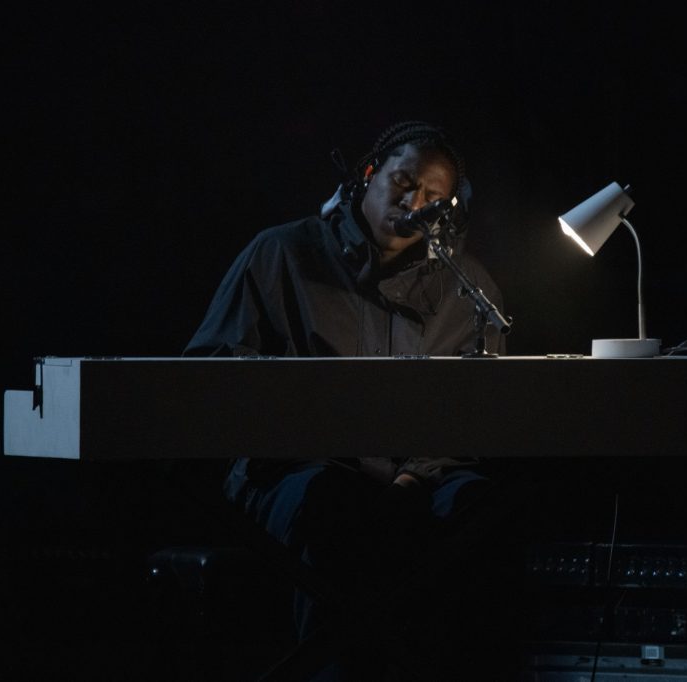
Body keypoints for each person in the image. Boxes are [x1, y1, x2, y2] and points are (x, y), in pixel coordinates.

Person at [184, 121, 509, 678]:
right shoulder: (282, 252)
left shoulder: (466, 286)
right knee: (334, 504)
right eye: (403, 182)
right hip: (294, 473)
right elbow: (210, 370)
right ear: (367, 175)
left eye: (434, 197)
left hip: (418, 477)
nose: (414, 202)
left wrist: (413, 480)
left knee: (480, 510)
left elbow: (475, 412)